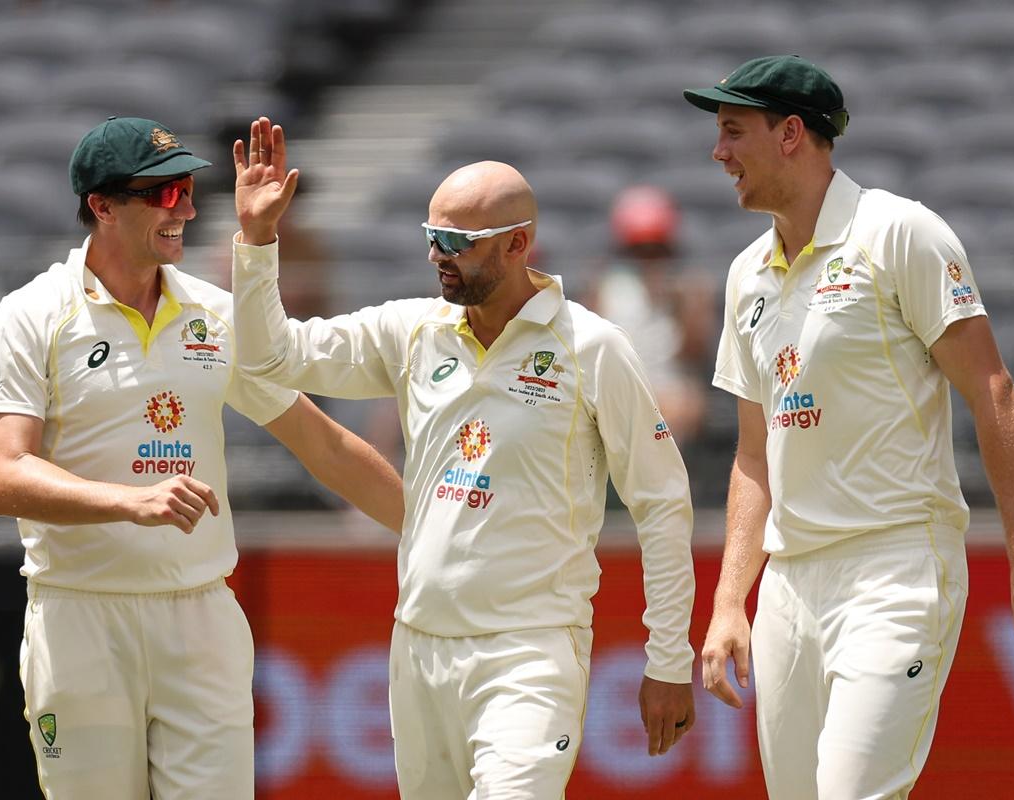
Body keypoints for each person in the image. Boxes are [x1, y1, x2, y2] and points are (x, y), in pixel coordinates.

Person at [231, 117, 696, 797]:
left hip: (529, 653)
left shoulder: (591, 347)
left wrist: (669, 660)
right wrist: (258, 239)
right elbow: (271, 357)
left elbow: (662, 505)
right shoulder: (414, 330)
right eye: (431, 237)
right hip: (418, 650)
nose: (436, 256)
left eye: (456, 242)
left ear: (517, 244)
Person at [0, 116, 404, 799]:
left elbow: (322, 444)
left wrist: (436, 533)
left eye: (191, 190)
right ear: (103, 205)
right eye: (165, 195)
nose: (189, 210)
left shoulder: (217, 313)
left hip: (200, 616)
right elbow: (3, 475)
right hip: (79, 616)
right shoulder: (30, 316)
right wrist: (129, 502)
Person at [685, 56, 1014, 799]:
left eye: (734, 131)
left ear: (792, 133)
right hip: (791, 587)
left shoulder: (899, 233)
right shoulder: (746, 276)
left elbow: (993, 390)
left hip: (897, 568)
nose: (719, 151)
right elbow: (752, 454)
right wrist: (731, 600)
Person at [589, 184, 716, 445]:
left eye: (657, 250)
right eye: (638, 251)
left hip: (672, 389)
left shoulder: (687, 286)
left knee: (685, 404)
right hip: (620, 389)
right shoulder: (605, 287)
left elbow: (695, 354)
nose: (648, 260)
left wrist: (685, 305)